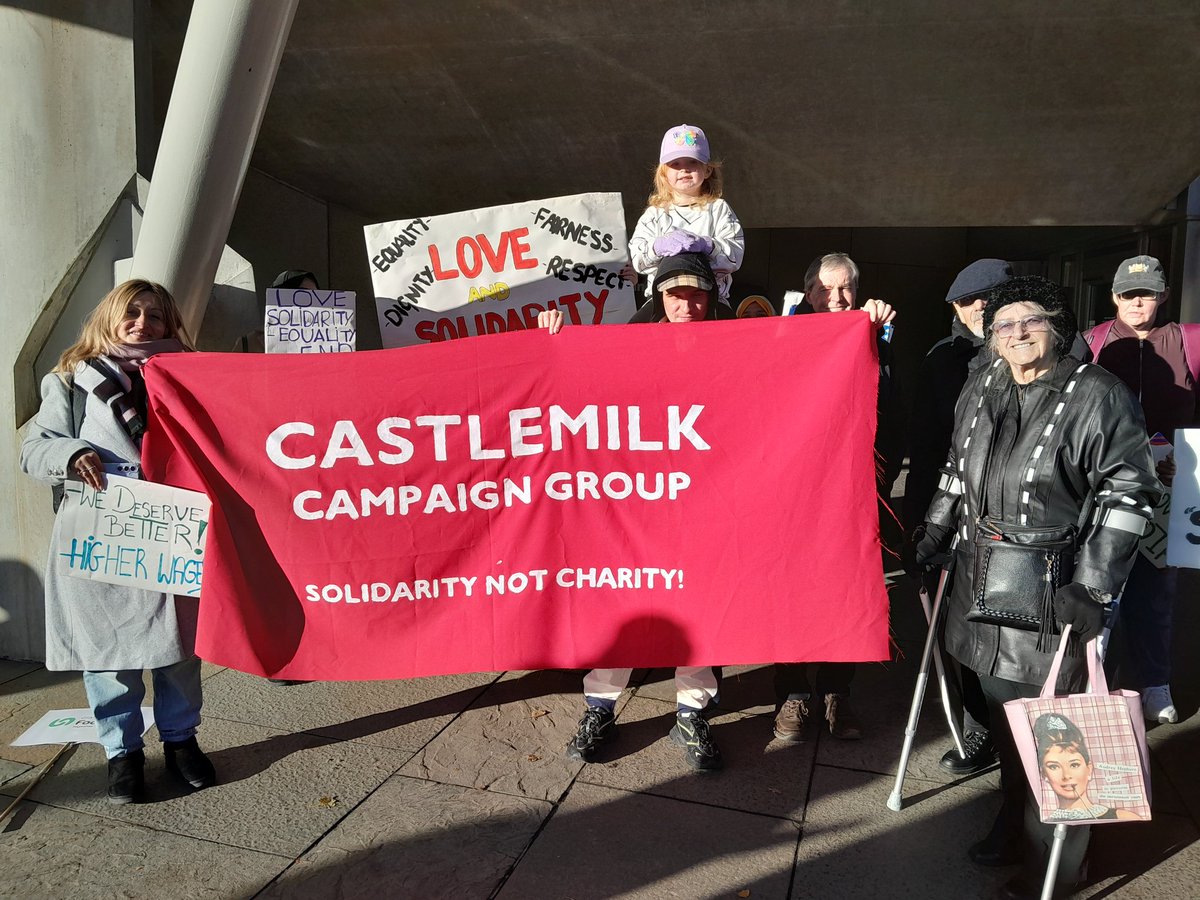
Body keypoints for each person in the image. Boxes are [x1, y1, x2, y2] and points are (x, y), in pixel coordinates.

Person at [913, 275, 1160, 898]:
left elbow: (1130, 491)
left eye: (1031, 320)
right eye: (1004, 324)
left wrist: (1095, 584)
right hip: (980, 587)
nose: (1017, 333)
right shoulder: (982, 385)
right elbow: (956, 467)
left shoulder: (1099, 394)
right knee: (1004, 722)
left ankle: (1061, 863)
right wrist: (935, 529)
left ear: (1057, 326)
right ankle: (1015, 815)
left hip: (1055, 591)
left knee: (1056, 733)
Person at [21, 279, 217, 804]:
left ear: (170, 324)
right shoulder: (71, 379)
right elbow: (34, 449)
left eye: (155, 315)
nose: (142, 323)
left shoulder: (192, 373)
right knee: (108, 655)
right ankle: (121, 753)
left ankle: (181, 742)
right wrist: (71, 454)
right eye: (131, 312)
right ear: (109, 316)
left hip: (172, 527)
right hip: (104, 531)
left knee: (180, 649)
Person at [540, 253, 728, 771]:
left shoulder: (735, 341)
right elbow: (577, 380)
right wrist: (555, 339)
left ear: (710, 297)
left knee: (701, 602)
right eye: (674, 294)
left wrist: (862, 325)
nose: (686, 305)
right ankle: (600, 707)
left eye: (696, 294)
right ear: (658, 297)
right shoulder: (628, 341)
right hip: (637, 498)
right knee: (622, 596)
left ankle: (692, 712)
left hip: (706, 498)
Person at [772, 252, 898, 742]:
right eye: (826, 288)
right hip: (796, 492)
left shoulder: (874, 335)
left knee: (848, 591)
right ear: (809, 293)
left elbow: (891, 409)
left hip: (852, 490)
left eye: (846, 288)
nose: (837, 298)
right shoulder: (784, 336)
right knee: (792, 593)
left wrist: (877, 337)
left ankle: (835, 693)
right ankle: (792, 694)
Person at [903, 259, 1013, 775]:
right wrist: (920, 522)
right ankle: (978, 727)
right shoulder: (942, 359)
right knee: (958, 628)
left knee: (1014, 633)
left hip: (1021, 523)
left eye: (989, 299)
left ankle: (1022, 732)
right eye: (968, 301)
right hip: (954, 515)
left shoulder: (1058, 354)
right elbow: (926, 448)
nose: (979, 309)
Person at [1083, 255, 1199, 725]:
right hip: (1105, 487)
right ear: (1113, 296)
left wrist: (1188, 459)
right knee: (1100, 585)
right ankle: (1095, 684)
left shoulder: (1189, 342)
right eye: (1128, 294)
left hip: (1169, 490)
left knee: (1156, 591)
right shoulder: (1092, 343)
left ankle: (1155, 683)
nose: (1136, 302)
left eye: (1146, 293)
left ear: (1163, 295)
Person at [628, 124, 744, 309]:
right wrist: (657, 247)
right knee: (635, 327)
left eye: (692, 162)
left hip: (711, 298)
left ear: (707, 170)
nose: (684, 169)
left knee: (731, 327)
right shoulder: (654, 213)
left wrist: (707, 245)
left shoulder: (719, 208)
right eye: (675, 164)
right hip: (662, 300)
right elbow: (638, 260)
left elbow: (735, 256)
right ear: (664, 174)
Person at [1033, 713, 1143, 822]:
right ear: (1044, 774)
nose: (1066, 775)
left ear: (1089, 769)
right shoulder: (1044, 824)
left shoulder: (1123, 817)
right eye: (1054, 767)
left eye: (1074, 765)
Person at [232, 269, 320, 354]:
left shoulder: (324, 342)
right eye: (304, 294)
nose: (311, 301)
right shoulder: (249, 344)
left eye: (316, 296)